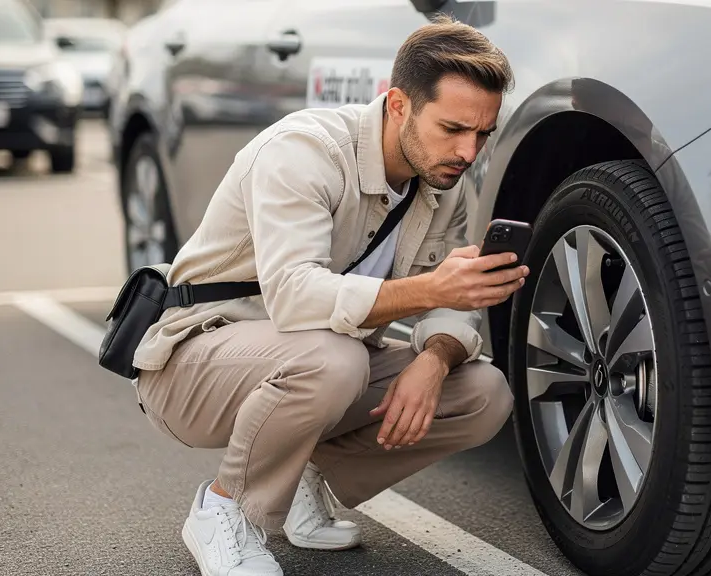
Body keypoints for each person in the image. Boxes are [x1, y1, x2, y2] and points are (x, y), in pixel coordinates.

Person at [131, 14, 528, 576]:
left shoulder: (442, 185)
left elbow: (447, 302)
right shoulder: (305, 152)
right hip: (190, 363)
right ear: (397, 106)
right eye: (453, 128)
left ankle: (296, 479)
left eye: (482, 134)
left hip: (311, 363)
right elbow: (294, 296)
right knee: (335, 360)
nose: (468, 151)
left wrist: (436, 359)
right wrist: (429, 288)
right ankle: (224, 509)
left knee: (482, 392)